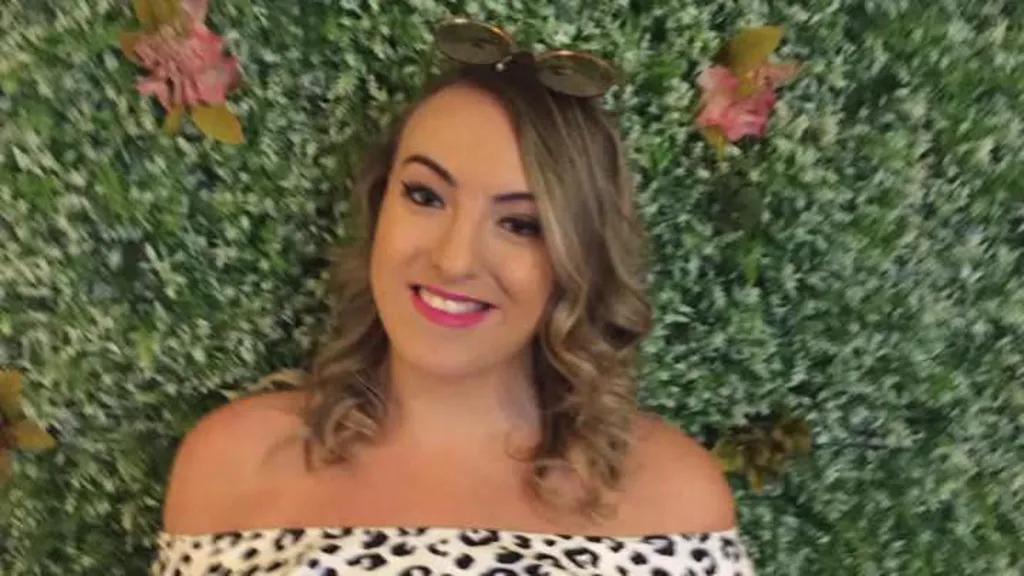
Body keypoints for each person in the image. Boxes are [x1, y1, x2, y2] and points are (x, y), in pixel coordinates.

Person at [151, 19, 756, 575]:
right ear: (378, 205)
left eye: (520, 224)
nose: (453, 259)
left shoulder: (671, 496)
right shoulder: (233, 463)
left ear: (575, 260)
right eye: (425, 196)